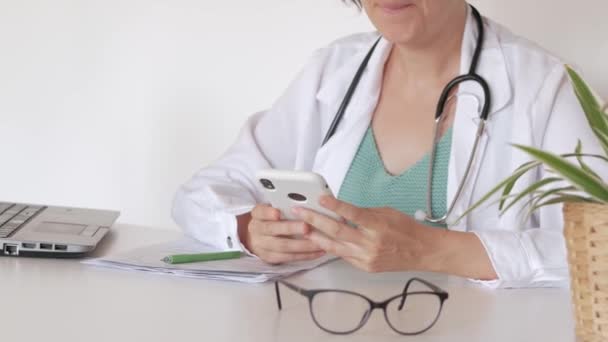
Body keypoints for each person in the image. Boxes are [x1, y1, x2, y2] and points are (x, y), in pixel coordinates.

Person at [172, 0, 605, 288]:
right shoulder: (333, 71)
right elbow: (199, 194)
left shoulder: (546, 87)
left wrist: (432, 250)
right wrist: (250, 229)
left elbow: (599, 251)